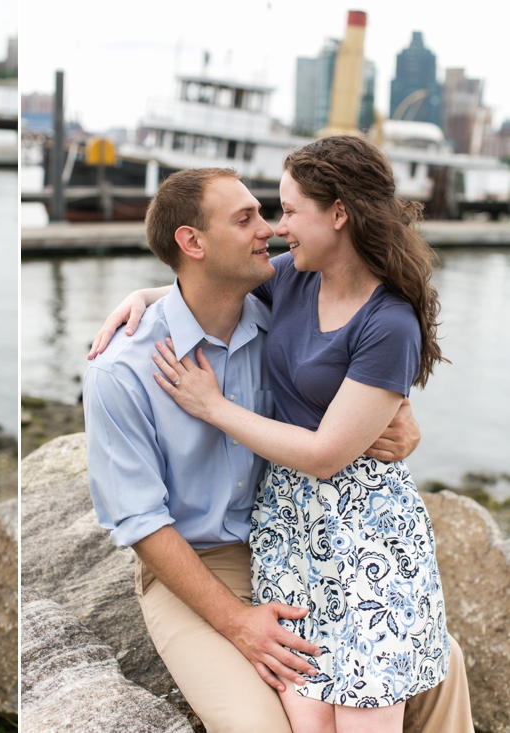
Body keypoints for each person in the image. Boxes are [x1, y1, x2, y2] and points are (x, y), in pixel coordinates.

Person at [83, 161, 473, 733]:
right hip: (198, 564)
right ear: (191, 241)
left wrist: (403, 420)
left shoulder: (278, 302)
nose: (269, 228)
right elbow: (138, 521)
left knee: (442, 664)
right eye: (248, 218)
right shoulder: (122, 370)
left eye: (275, 212)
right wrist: (238, 621)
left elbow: (358, 364)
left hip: (294, 542)